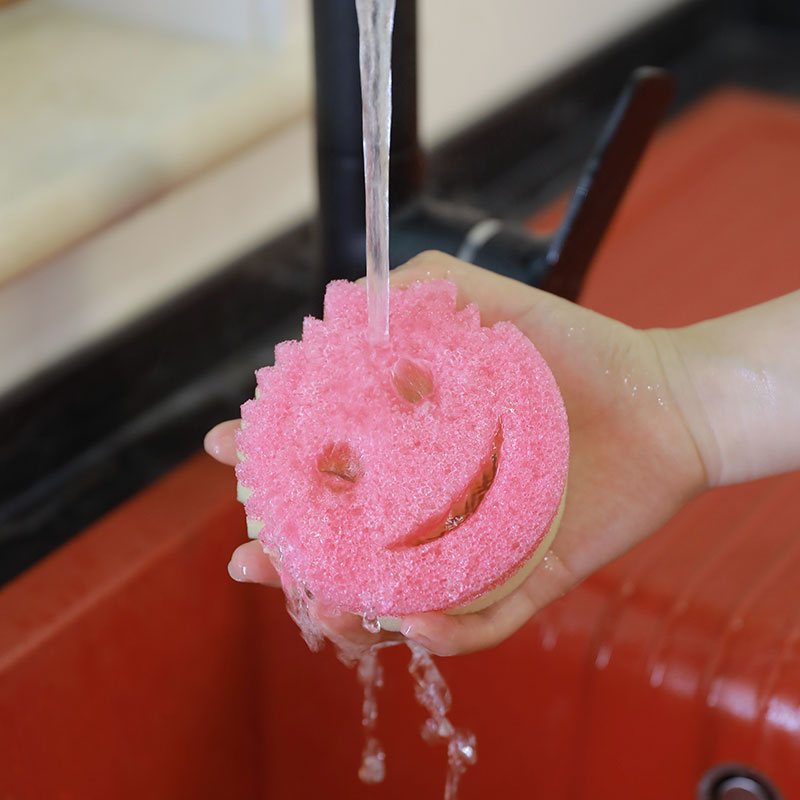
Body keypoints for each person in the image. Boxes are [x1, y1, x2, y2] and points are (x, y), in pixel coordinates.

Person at [204, 250, 800, 656]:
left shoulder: (497, 393)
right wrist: (680, 400)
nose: (414, 458)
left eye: (417, 394)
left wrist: (680, 401)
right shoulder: (290, 456)